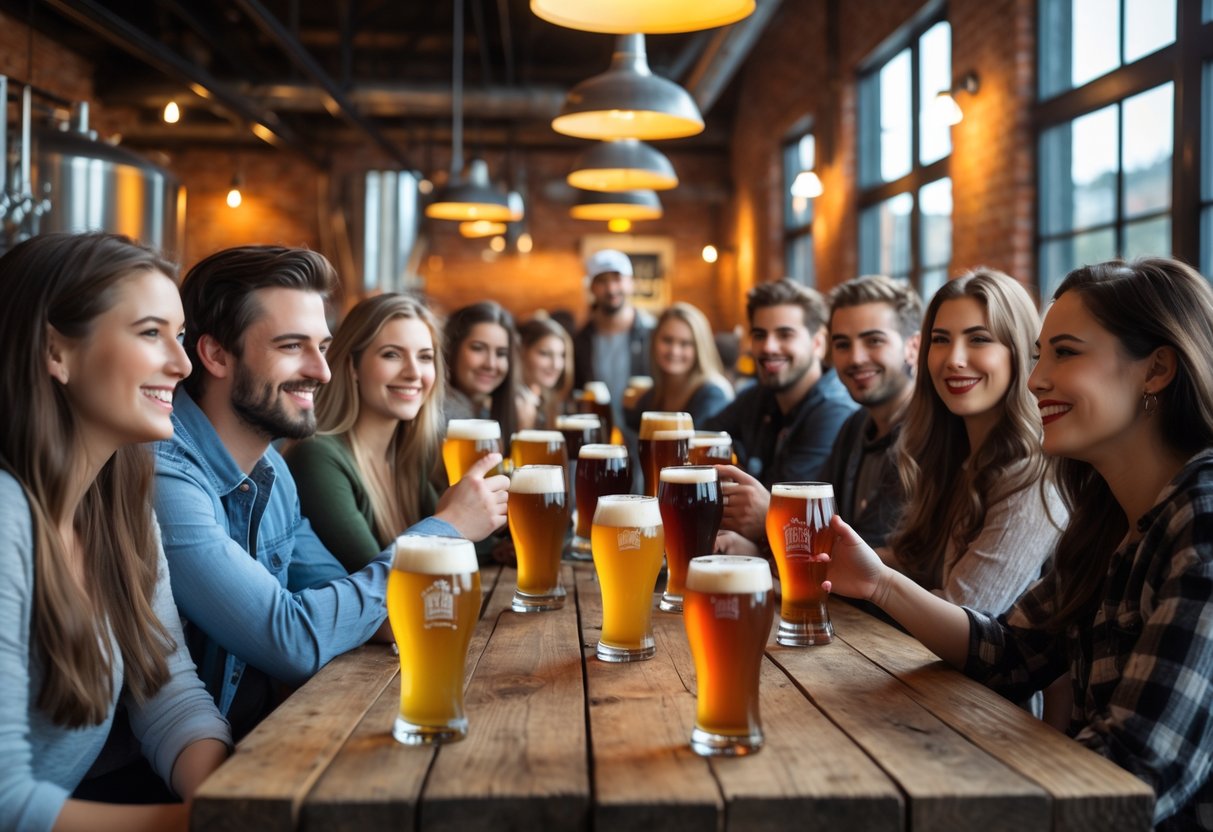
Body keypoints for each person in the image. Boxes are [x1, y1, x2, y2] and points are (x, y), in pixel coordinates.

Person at [823, 257, 1213, 829]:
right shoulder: (1110, 512)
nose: (1035, 380)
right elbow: (1010, 654)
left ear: (1156, 370)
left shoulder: (1202, 515)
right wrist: (879, 583)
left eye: (1066, 353)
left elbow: (1134, 774)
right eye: (1039, 355)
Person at [153, 246, 508, 740]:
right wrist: (445, 532)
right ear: (215, 354)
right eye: (292, 345)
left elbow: (364, 612)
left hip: (263, 744)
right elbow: (293, 639)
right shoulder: (166, 475)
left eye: (322, 346)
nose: (322, 370)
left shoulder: (272, 472)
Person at [0, 232, 230, 830]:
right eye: (151, 333)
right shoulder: (5, 517)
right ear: (56, 351)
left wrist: (231, 797)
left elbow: (170, 695)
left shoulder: (119, 511)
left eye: (178, 336)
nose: (182, 364)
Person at [284, 294, 509, 572]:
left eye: (425, 357)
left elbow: (472, 550)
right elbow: (375, 583)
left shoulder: (409, 456)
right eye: (392, 354)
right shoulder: (317, 457)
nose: (414, 372)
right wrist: (452, 521)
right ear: (353, 366)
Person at [885, 269, 1064, 612]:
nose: (954, 359)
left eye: (979, 339)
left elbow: (963, 614)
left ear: (1021, 351)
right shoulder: (956, 456)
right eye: (940, 340)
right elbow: (912, 566)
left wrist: (873, 582)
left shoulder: (1034, 474)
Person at [705, 278, 858, 541]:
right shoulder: (759, 395)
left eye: (785, 334)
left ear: (818, 343)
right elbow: (703, 436)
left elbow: (791, 512)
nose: (768, 347)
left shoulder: (834, 411)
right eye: (759, 335)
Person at [818, 274, 923, 549]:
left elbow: (870, 547)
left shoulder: (927, 433)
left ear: (913, 347)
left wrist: (768, 518)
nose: (855, 358)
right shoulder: (854, 426)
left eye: (873, 341)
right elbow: (821, 519)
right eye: (842, 344)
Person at [572, 249, 655, 424]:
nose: (611, 289)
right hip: (598, 442)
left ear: (630, 283)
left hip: (645, 435)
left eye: (617, 279)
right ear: (592, 288)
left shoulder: (653, 334)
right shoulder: (580, 340)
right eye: (602, 281)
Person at [624, 302, 734, 429]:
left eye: (685, 343)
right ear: (654, 341)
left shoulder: (712, 395)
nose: (674, 351)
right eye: (667, 340)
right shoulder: (654, 395)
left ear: (699, 349)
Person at [443, 300, 521, 445]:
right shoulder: (442, 415)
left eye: (501, 353)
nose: (490, 364)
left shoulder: (487, 411)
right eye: (478, 348)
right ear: (452, 348)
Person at [517, 315, 574, 429]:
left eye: (561, 355)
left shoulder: (542, 397)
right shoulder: (519, 404)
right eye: (545, 353)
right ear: (522, 351)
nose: (556, 365)